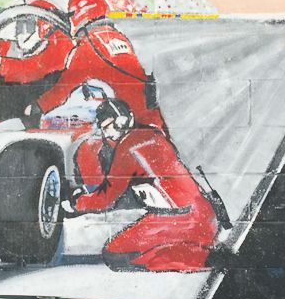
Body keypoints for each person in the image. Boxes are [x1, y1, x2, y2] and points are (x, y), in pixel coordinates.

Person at [68, 92, 220, 274]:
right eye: (104, 128)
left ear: (122, 120)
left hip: (181, 219)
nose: (108, 133)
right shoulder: (152, 133)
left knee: (115, 254)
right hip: (199, 214)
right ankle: (199, 250)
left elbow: (106, 198)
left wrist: (77, 202)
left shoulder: (128, 147)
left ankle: (203, 258)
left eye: (108, 126)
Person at [0, 0, 165, 132]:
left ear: (79, 14)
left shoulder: (89, 46)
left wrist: (37, 107)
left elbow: (64, 86)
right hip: (147, 118)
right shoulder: (116, 37)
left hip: (124, 123)